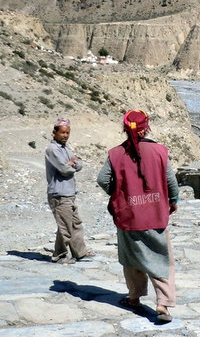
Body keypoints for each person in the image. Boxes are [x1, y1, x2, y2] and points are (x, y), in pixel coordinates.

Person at [97, 109, 179, 324]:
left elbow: (102, 179)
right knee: (162, 258)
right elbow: (171, 181)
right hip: (155, 214)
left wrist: (118, 195)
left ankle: (134, 298)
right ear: (146, 127)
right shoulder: (159, 151)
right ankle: (163, 304)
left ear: (125, 128)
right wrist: (173, 201)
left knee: (131, 258)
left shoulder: (115, 154)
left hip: (128, 216)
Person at [45, 117, 93, 264]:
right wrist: (72, 163)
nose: (65, 135)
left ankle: (80, 252)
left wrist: (73, 163)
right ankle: (59, 255)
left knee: (75, 224)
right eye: (63, 133)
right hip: (59, 193)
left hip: (69, 192)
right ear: (54, 132)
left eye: (67, 133)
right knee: (65, 226)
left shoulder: (66, 149)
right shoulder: (52, 150)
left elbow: (79, 165)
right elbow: (65, 169)